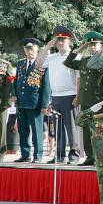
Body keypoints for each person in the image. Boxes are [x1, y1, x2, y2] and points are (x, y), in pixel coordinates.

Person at [36, 26, 80, 164]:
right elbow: (38, 64)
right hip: (56, 96)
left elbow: (79, 78)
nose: (61, 42)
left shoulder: (75, 56)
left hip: (70, 95)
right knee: (58, 127)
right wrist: (48, 45)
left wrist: (78, 96)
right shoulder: (52, 57)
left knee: (71, 127)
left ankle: (74, 155)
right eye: (58, 40)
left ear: (69, 41)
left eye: (63, 40)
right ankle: (59, 155)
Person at [63, 31, 103, 166]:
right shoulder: (84, 60)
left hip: (98, 100)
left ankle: (100, 157)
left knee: (98, 130)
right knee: (87, 130)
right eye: (91, 45)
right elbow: (68, 62)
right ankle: (89, 156)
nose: (93, 47)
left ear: (100, 45)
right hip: (85, 99)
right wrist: (80, 48)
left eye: (95, 44)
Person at [14, 38, 51, 163]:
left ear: (37, 50)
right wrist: (14, 94)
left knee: (37, 131)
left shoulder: (43, 63)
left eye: (32, 49)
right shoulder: (20, 63)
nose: (30, 52)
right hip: (21, 102)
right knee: (23, 131)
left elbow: (46, 86)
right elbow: (17, 81)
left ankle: (38, 155)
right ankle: (25, 154)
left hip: (35, 103)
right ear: (24, 50)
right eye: (27, 49)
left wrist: (45, 104)